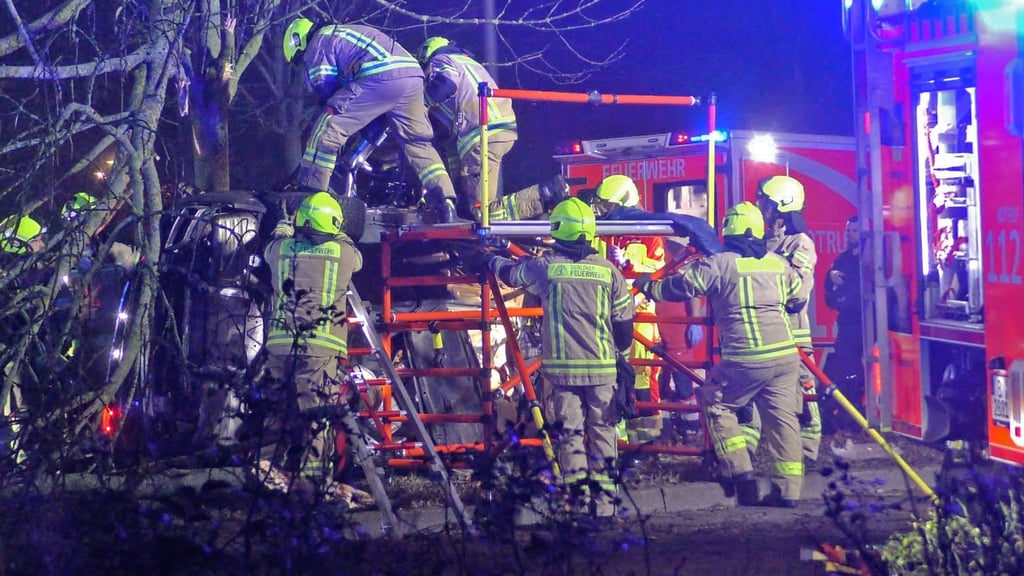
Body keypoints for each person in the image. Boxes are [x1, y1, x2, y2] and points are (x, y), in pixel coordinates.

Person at [634, 201, 806, 507]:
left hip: (746, 357)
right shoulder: (778, 264)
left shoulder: (721, 263)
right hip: (785, 357)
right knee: (783, 421)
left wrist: (649, 287)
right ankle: (788, 492)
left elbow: (681, 287)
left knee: (715, 401)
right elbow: (797, 299)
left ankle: (740, 474)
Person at [483, 197, 635, 518]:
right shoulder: (609, 273)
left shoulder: (548, 267)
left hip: (563, 375)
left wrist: (488, 259)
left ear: (558, 230)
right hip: (604, 373)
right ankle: (606, 510)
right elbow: (623, 328)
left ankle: (579, 510)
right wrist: (618, 358)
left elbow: (512, 273)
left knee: (571, 439)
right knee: (605, 437)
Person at [282, 18, 459, 223]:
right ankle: (445, 202)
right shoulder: (345, 34)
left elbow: (324, 84)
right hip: (412, 77)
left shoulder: (320, 40)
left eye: (300, 61)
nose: (304, 64)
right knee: (418, 143)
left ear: (299, 43)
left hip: (379, 75)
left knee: (328, 127)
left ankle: (311, 193)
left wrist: (330, 107)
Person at [259, 191, 363, 499]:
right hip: (320, 350)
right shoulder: (342, 254)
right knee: (316, 418)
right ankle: (310, 487)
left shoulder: (280, 250)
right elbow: (355, 255)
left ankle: (265, 478)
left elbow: (272, 246)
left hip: (280, 347)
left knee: (274, 414)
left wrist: (283, 225)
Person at [417, 37, 566, 221]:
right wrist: (458, 182)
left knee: (482, 213)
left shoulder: (441, 60)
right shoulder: (469, 64)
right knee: (475, 207)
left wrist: (419, 104)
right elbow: (448, 138)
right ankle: (544, 195)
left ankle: (544, 194)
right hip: (500, 129)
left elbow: (446, 84)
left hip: (481, 134)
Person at [746, 175, 822, 463]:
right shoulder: (761, 241)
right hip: (763, 331)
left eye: (764, 201)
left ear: (781, 207)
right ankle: (747, 455)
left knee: (803, 392)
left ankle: (808, 453)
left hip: (793, 331)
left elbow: (798, 293)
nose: (759, 206)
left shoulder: (800, 243)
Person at [591, 175, 666, 444]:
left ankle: (646, 442)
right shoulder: (603, 229)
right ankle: (619, 439)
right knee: (612, 374)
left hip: (641, 316)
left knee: (643, 376)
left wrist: (629, 265)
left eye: (607, 205)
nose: (602, 210)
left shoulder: (650, 231)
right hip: (609, 313)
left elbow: (658, 272)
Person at [824, 214, 863, 430]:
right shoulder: (842, 259)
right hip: (847, 323)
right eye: (848, 230)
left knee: (860, 372)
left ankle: (858, 415)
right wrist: (830, 278)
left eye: (854, 230)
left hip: (866, 324)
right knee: (845, 367)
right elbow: (830, 295)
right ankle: (847, 414)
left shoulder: (870, 259)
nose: (849, 234)